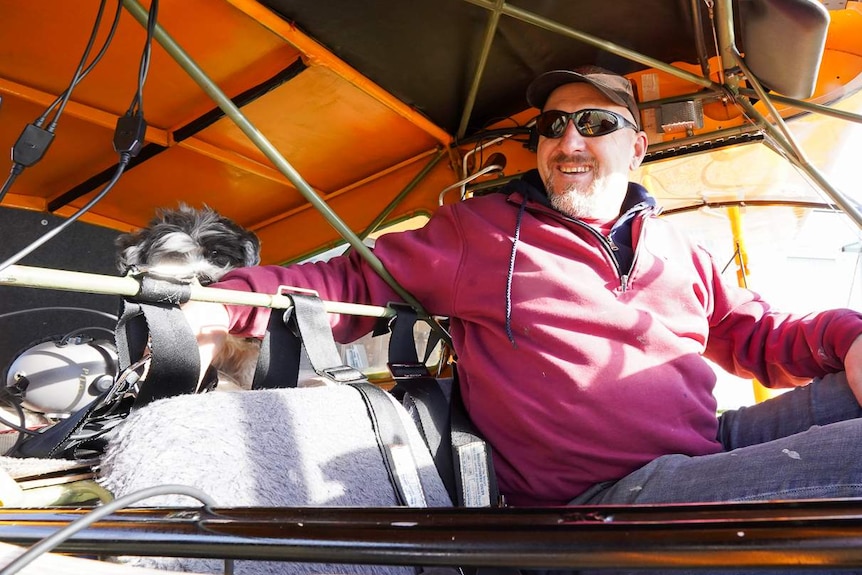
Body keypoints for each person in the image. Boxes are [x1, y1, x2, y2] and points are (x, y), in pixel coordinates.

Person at [183, 65, 862, 511]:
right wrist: (227, 301)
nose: (569, 140)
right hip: (606, 499)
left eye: (594, 124)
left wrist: (851, 337)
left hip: (709, 442)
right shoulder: (479, 233)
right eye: (552, 125)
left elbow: (762, 338)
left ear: (638, 148)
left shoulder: (680, 247)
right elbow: (347, 278)